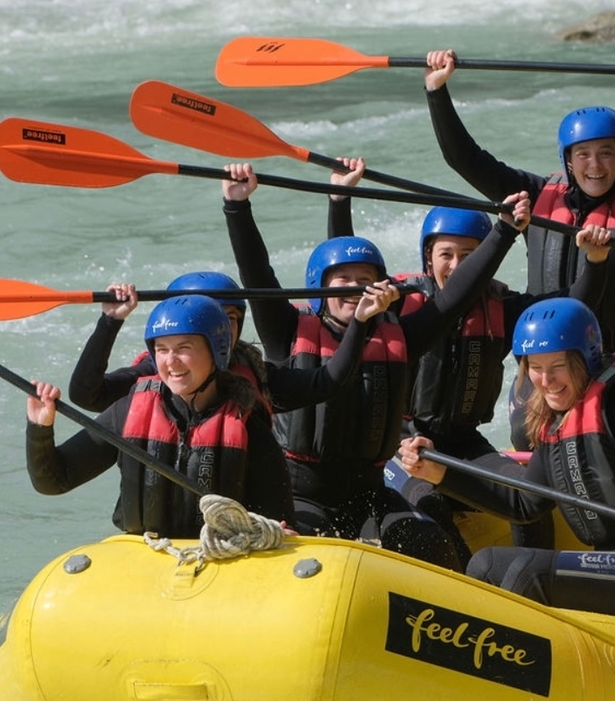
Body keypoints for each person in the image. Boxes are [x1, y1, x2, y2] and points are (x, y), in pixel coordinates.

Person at [222, 163, 532, 570]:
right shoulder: (286, 332)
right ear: (321, 286)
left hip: (369, 493)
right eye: (343, 279)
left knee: (425, 540)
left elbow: (454, 296)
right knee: (311, 558)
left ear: (381, 289)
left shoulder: (402, 338)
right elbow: (257, 273)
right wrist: (237, 207)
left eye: (363, 278)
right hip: (301, 495)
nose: (353, 287)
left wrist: (505, 230)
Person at [397, 298, 615, 631]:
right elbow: (525, 503)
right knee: (489, 564)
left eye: (557, 366)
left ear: (584, 359)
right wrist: (439, 474)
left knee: (523, 572)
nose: (546, 381)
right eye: (536, 367)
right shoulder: (559, 418)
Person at [424, 48, 615, 359]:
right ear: (568, 161)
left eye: (606, 152)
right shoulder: (535, 194)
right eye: (583, 154)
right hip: (543, 349)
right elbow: (465, 160)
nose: (595, 165)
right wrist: (437, 90)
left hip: (614, 351)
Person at [382, 205, 613, 558]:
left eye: (469, 255)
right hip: (399, 443)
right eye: (447, 254)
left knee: (528, 499)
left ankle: (535, 589)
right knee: (431, 507)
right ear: (428, 259)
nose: (458, 266)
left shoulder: (501, 307)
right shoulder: (399, 306)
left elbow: (572, 309)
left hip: (462, 442)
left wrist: (596, 262)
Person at [26, 295, 295, 538]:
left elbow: (279, 520)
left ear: (217, 351)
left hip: (222, 560)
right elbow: (55, 481)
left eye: (183, 348)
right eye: (162, 349)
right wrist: (40, 428)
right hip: (145, 557)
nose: (170, 361)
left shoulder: (246, 421)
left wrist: (277, 534)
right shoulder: (129, 411)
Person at [67, 271, 376, 417]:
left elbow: (329, 382)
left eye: (230, 317)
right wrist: (110, 321)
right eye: (213, 319)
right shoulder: (156, 374)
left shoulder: (255, 375)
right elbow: (87, 396)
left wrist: (360, 321)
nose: (224, 330)